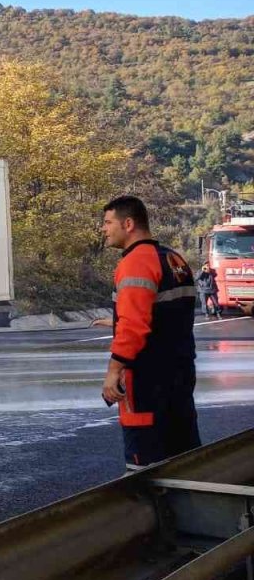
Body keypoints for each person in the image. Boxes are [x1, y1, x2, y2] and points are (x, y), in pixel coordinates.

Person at [99, 195, 200, 471]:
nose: (103, 229)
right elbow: (168, 314)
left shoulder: (135, 263)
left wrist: (113, 371)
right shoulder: (173, 259)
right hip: (179, 374)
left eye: (108, 222)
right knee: (185, 459)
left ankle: (151, 513)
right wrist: (118, 320)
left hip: (147, 380)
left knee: (145, 467)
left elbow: (134, 327)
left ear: (128, 223)